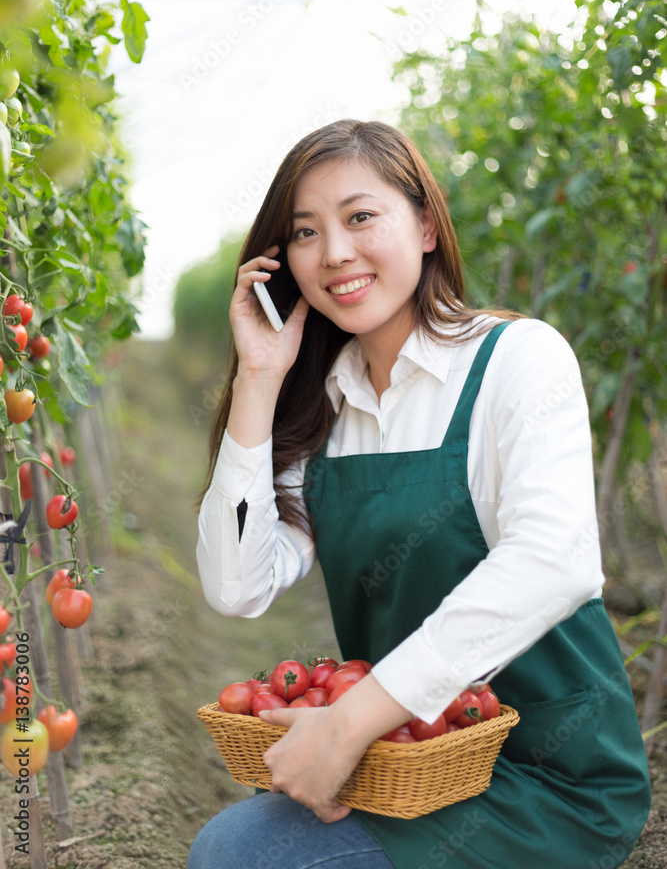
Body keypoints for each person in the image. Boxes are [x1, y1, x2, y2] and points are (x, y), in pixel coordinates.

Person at [188, 119, 651, 869]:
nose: (335, 252)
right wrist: (259, 380)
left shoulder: (516, 361)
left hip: (549, 779)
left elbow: (552, 560)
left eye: (360, 217)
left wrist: (347, 723)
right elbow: (236, 587)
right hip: (404, 764)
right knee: (240, 847)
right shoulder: (325, 410)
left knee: (243, 856)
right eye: (305, 233)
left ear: (426, 226)